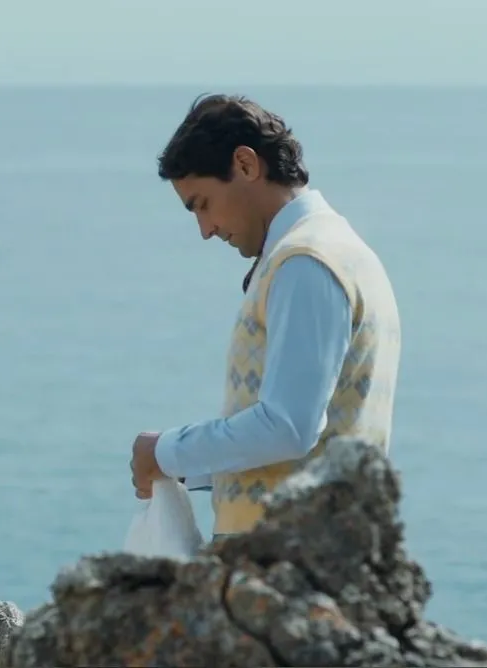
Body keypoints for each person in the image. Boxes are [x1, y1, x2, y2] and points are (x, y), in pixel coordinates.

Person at [128, 94, 402, 538]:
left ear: (245, 164)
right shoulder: (338, 250)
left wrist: (165, 451)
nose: (205, 230)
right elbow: (312, 437)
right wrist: (183, 466)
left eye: (202, 203)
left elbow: (288, 428)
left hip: (289, 555)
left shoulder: (305, 261)